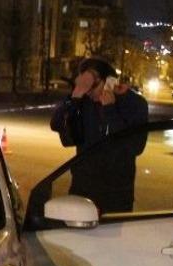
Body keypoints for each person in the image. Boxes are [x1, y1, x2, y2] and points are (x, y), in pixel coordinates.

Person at [50, 57, 149, 213]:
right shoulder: (83, 100)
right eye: (84, 84)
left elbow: (136, 147)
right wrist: (74, 96)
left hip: (116, 195)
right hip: (82, 190)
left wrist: (110, 110)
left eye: (93, 85)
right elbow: (56, 124)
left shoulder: (134, 104)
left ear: (110, 81)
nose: (88, 92)